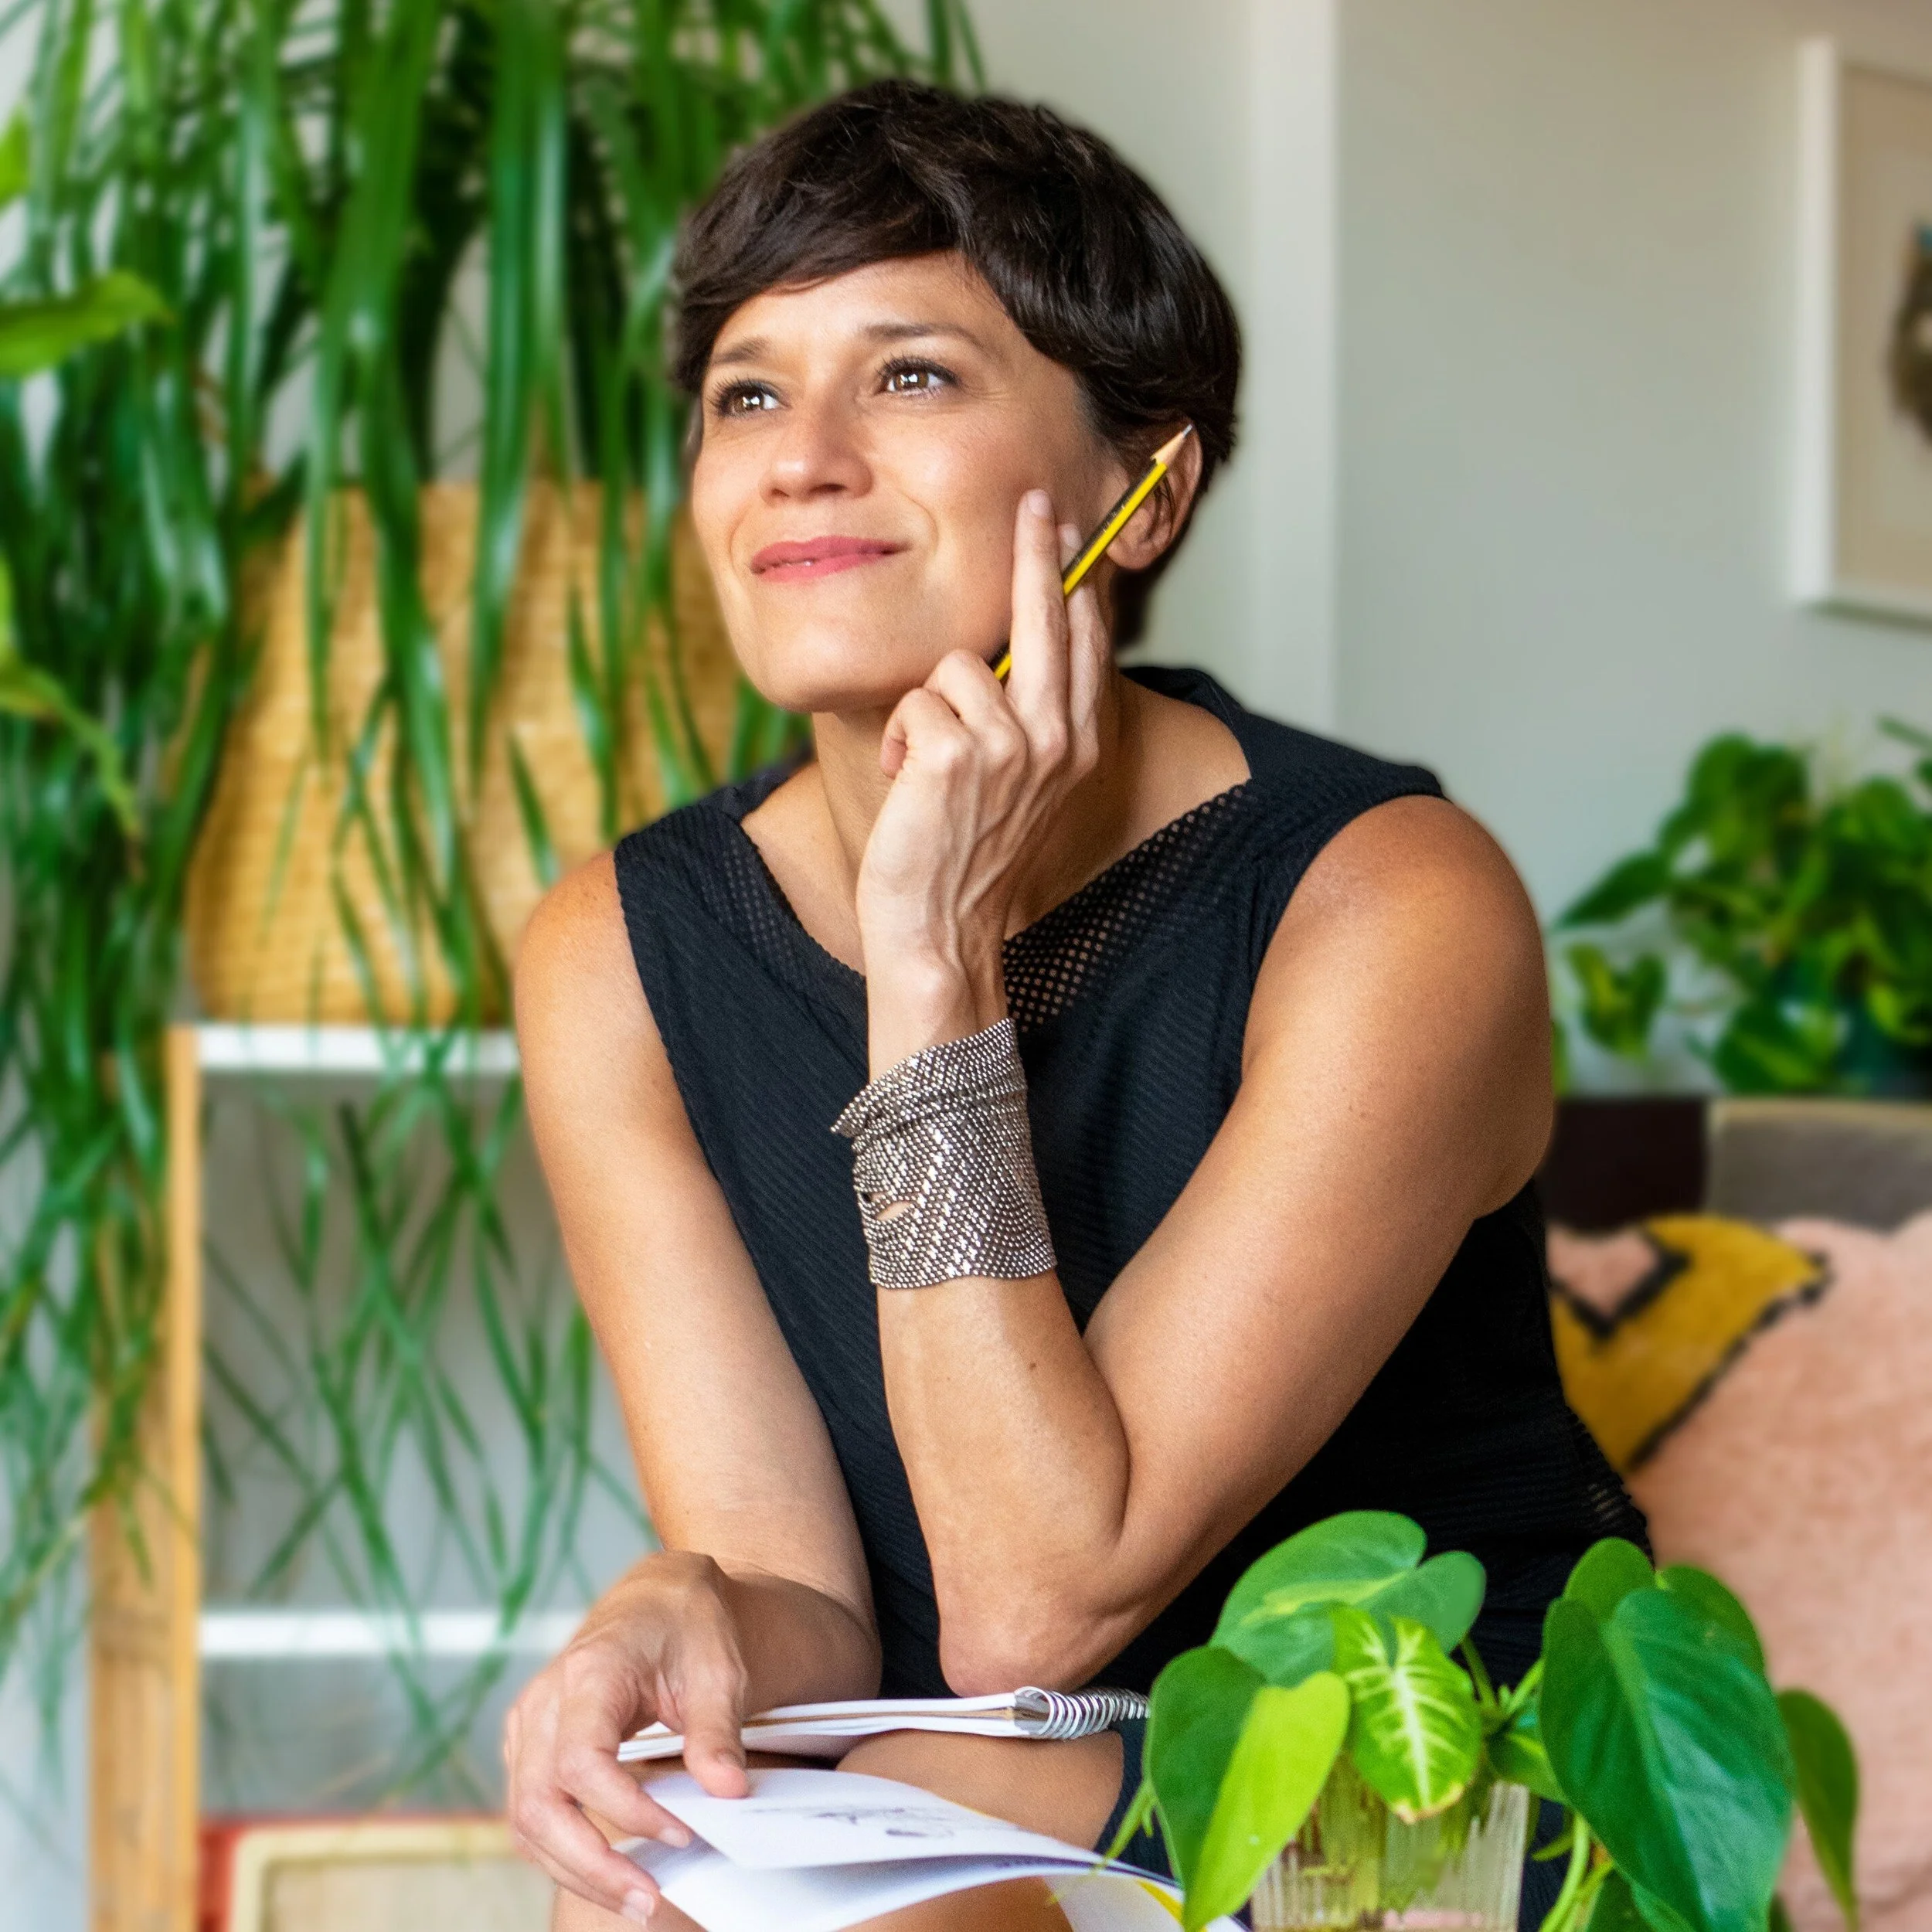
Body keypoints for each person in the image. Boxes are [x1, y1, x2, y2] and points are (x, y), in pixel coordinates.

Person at [505, 78, 1641, 1931]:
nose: (798, 455)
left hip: (1420, 1778)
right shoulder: (615, 951)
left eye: (912, 375)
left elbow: (1041, 1597)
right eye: (746, 391)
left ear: (1143, 488)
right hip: (971, 1766)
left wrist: (929, 964)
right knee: (658, 1867)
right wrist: (680, 1612)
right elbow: (809, 1590)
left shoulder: (1387, 903)